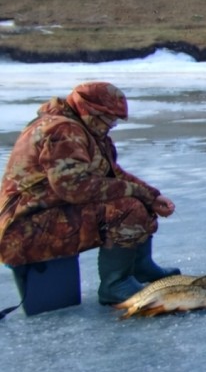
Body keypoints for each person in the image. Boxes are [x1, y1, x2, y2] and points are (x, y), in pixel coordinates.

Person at [0, 82, 180, 307]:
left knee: (139, 201)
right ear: (91, 111)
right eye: (109, 118)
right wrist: (139, 193)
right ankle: (116, 285)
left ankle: (138, 266)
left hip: (48, 213)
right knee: (127, 208)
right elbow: (75, 188)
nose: (112, 125)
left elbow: (110, 173)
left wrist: (151, 196)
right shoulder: (62, 131)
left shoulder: (84, 129)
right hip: (25, 227)